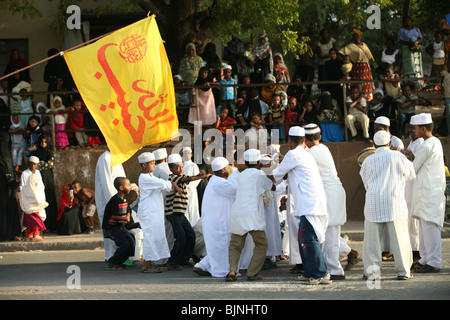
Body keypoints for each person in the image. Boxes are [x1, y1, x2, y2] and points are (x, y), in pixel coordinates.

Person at [269, 126, 331, 285]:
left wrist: (256, 178)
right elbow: (287, 179)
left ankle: (321, 274)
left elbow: (276, 175)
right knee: (304, 238)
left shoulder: (293, 154)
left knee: (308, 239)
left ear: (289, 140)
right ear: (303, 140)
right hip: (310, 202)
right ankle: (310, 272)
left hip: (309, 203)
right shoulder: (304, 154)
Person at [360, 130, 416, 280]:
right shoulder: (397, 156)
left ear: (373, 145)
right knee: (400, 240)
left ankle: (372, 273)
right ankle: (403, 272)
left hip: (373, 203)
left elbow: (365, 183)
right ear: (390, 143)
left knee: (371, 243)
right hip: (394, 203)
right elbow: (411, 174)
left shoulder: (367, 160)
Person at [226, 149, 274, 282]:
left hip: (236, 213)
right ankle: (252, 272)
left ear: (245, 162)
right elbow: (271, 186)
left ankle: (232, 270)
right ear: (259, 162)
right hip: (251, 214)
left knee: (235, 245)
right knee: (261, 244)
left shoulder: (239, 175)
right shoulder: (260, 174)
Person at [409, 113, 446, 273]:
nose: (414, 131)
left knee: (430, 226)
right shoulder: (434, 142)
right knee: (424, 226)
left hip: (429, 193)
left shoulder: (426, 145)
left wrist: (406, 156)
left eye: (415, 128)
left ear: (423, 129)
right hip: (427, 192)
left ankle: (435, 261)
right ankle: (425, 258)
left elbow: (413, 168)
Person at [165, 153, 210, 270]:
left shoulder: (181, 177)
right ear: (171, 169)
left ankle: (184, 259)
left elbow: (188, 178)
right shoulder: (172, 178)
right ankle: (173, 261)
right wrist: (202, 177)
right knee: (180, 237)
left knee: (190, 234)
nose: (180, 169)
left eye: (182, 167)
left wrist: (199, 174)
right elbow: (187, 179)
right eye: (177, 167)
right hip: (173, 213)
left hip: (180, 213)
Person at [193, 157, 237, 277]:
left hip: (215, 221)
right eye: (228, 167)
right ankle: (221, 271)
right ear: (222, 170)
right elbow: (236, 190)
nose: (230, 169)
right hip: (218, 222)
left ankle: (203, 265)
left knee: (218, 247)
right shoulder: (220, 183)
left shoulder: (215, 181)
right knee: (221, 246)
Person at [137, 152, 179, 273]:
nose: (154, 166)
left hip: (154, 212)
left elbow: (163, 183)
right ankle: (146, 265)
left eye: (154, 163)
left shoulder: (151, 177)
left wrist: (171, 184)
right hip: (148, 213)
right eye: (152, 164)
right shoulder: (144, 178)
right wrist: (172, 184)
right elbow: (163, 184)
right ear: (144, 165)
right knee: (150, 236)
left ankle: (152, 261)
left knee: (156, 235)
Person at [95, 149, 126, 261]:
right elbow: (107, 185)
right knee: (110, 229)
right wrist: (115, 204)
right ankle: (111, 257)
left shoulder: (117, 157)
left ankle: (119, 256)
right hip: (109, 202)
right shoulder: (105, 159)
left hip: (119, 200)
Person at [102, 177, 135, 271]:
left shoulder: (124, 199)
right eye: (128, 185)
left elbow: (128, 210)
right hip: (111, 227)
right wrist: (124, 218)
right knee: (124, 243)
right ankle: (112, 263)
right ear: (121, 188)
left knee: (131, 242)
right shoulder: (115, 200)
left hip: (120, 226)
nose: (130, 187)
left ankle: (120, 262)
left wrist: (127, 217)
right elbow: (114, 216)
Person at [182, 147, 207, 262]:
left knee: (193, 218)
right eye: (185, 153)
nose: (187, 155)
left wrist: (188, 186)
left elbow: (196, 180)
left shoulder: (193, 166)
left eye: (188, 153)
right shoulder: (180, 165)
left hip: (191, 194)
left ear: (191, 154)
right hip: (182, 193)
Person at [30, 135, 58, 231]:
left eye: (45, 142)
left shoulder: (49, 153)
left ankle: (51, 225)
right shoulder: (34, 153)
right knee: (39, 199)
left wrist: (39, 164)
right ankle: (40, 225)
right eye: (41, 142)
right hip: (37, 178)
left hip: (47, 178)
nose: (43, 144)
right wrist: (40, 164)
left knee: (48, 198)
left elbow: (48, 165)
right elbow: (33, 165)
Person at [404, 124, 424, 262]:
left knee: (415, 222)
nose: (411, 131)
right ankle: (412, 249)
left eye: (414, 128)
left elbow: (416, 163)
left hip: (415, 185)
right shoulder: (412, 142)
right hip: (408, 186)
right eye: (410, 128)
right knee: (409, 220)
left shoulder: (421, 143)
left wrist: (408, 155)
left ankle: (417, 250)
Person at [339, 29, 375, 100]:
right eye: (354, 36)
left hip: (367, 68)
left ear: (361, 37)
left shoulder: (364, 44)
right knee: (359, 85)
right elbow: (341, 53)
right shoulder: (350, 46)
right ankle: (359, 100)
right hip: (358, 67)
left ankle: (368, 102)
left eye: (358, 36)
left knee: (367, 85)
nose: (356, 37)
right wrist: (349, 60)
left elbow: (370, 57)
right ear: (353, 38)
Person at [19, 156, 48, 242]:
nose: (33, 166)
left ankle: (31, 235)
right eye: (31, 164)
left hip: (37, 198)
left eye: (35, 164)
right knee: (32, 219)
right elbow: (23, 187)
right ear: (28, 164)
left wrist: (39, 197)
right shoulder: (25, 173)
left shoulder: (38, 173)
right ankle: (34, 235)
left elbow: (41, 186)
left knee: (37, 217)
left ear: (37, 165)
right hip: (29, 199)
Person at [398, 16, 424, 88]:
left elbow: (420, 37)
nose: (407, 22)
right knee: (409, 67)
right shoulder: (402, 30)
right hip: (407, 49)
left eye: (409, 20)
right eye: (406, 21)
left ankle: (419, 84)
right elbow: (400, 40)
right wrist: (409, 43)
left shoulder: (416, 29)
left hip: (416, 50)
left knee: (417, 66)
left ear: (411, 21)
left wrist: (416, 42)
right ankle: (409, 84)